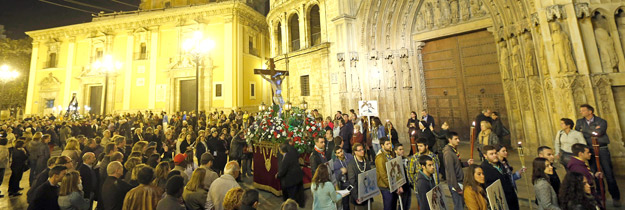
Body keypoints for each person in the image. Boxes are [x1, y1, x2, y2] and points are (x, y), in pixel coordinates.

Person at [574, 104, 620, 206]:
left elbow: (599, 132)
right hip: (589, 150)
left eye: (583, 110)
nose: (581, 112)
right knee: (594, 173)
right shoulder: (579, 122)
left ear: (590, 111)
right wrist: (593, 130)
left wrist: (585, 130)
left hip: (601, 149)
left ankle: (615, 197)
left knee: (608, 174)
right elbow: (578, 133)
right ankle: (599, 195)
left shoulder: (601, 121)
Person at [480, 145, 519, 210]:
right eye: (491, 154)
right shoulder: (484, 168)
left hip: (511, 199)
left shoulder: (500, 164)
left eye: (495, 153)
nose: (495, 155)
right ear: (485, 155)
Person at [443, 132, 474, 210]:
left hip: (459, 181)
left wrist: (467, 163)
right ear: (450, 140)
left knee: (461, 204)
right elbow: (451, 171)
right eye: (456, 139)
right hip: (455, 183)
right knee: (459, 206)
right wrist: (456, 187)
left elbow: (457, 165)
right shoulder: (448, 153)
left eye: (458, 138)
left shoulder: (453, 150)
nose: (458, 140)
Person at [375, 137, 401, 210]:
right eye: (387, 144)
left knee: (393, 205)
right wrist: (391, 185)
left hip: (393, 184)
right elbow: (383, 175)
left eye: (390, 143)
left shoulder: (391, 153)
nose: (390, 145)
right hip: (386, 186)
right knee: (388, 206)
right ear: (382, 146)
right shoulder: (380, 158)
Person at [347, 143, 372, 209]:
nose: (362, 151)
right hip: (358, 193)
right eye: (360, 150)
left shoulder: (366, 161)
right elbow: (352, 182)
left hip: (367, 191)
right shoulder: (351, 165)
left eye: (362, 149)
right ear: (355, 152)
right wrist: (356, 196)